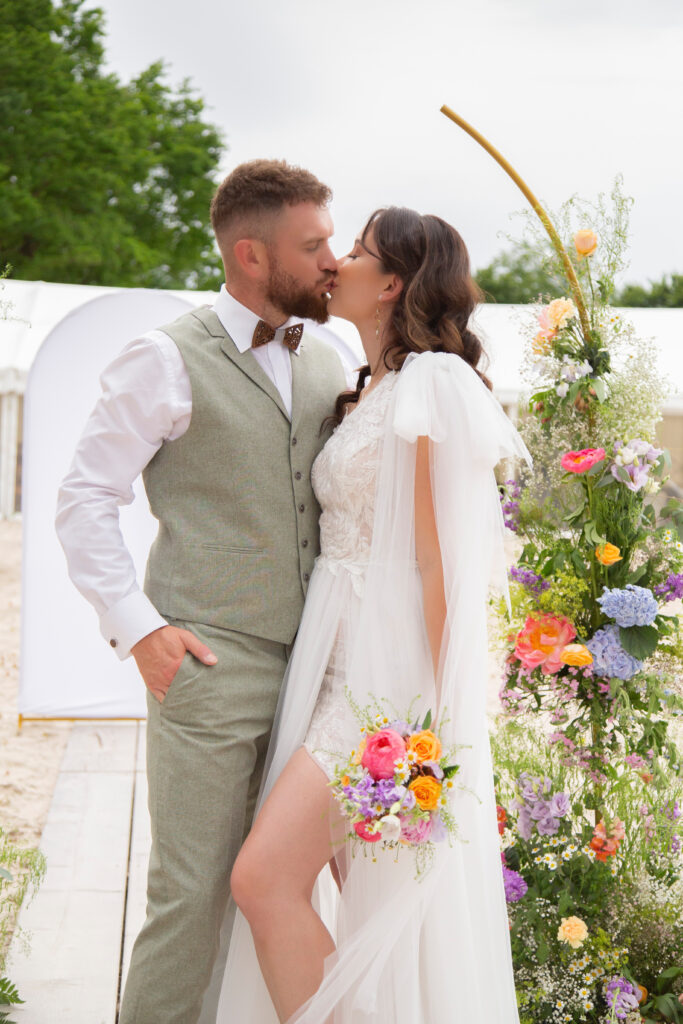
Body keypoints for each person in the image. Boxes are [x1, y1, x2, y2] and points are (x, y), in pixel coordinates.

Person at [55, 159, 350, 1024]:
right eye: (315, 244)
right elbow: (85, 499)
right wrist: (139, 629)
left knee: (287, 891)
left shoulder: (326, 356)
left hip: (319, 672)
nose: (332, 259)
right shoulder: (164, 357)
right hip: (211, 664)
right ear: (251, 256)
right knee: (190, 899)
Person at [220, 207, 531, 1023]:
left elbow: (439, 562)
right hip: (331, 669)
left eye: (352, 253)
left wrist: (431, 718)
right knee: (362, 903)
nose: (335, 265)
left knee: (262, 880)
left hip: (381, 690)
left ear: (391, 281)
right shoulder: (370, 387)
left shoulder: (429, 380)